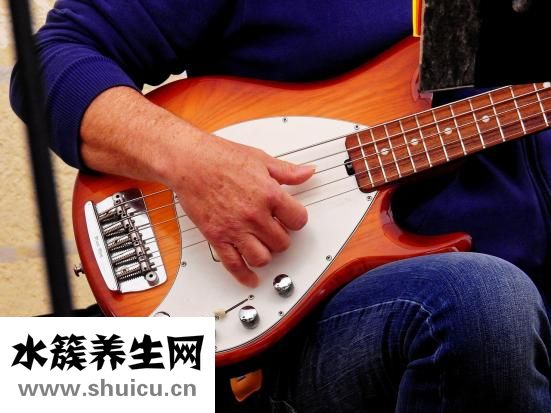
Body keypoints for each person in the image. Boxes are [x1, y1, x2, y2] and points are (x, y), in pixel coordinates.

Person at [10, 1, 551, 411]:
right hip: (291, 329)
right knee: (482, 300)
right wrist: (195, 163)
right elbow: (52, 63)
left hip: (525, 322)